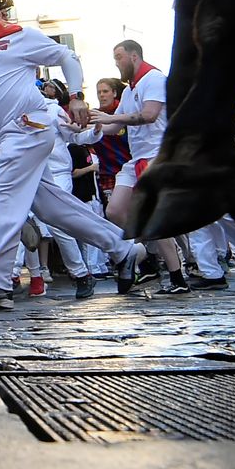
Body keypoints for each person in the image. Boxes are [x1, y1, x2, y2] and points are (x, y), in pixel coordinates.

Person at [0, 0, 142, 308]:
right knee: (52, 209)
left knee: (1, 195)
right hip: (6, 139)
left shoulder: (20, 37)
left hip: (27, 128)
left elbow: (67, 56)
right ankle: (123, 249)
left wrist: (76, 97)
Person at [89, 40, 187, 292]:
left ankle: (177, 278)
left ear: (134, 56)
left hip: (156, 156)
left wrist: (110, 117)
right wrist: (89, 126)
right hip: (136, 159)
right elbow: (113, 127)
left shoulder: (153, 78)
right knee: (115, 211)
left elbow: (149, 115)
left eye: (119, 57)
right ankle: (151, 260)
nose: (116, 63)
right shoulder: (129, 89)